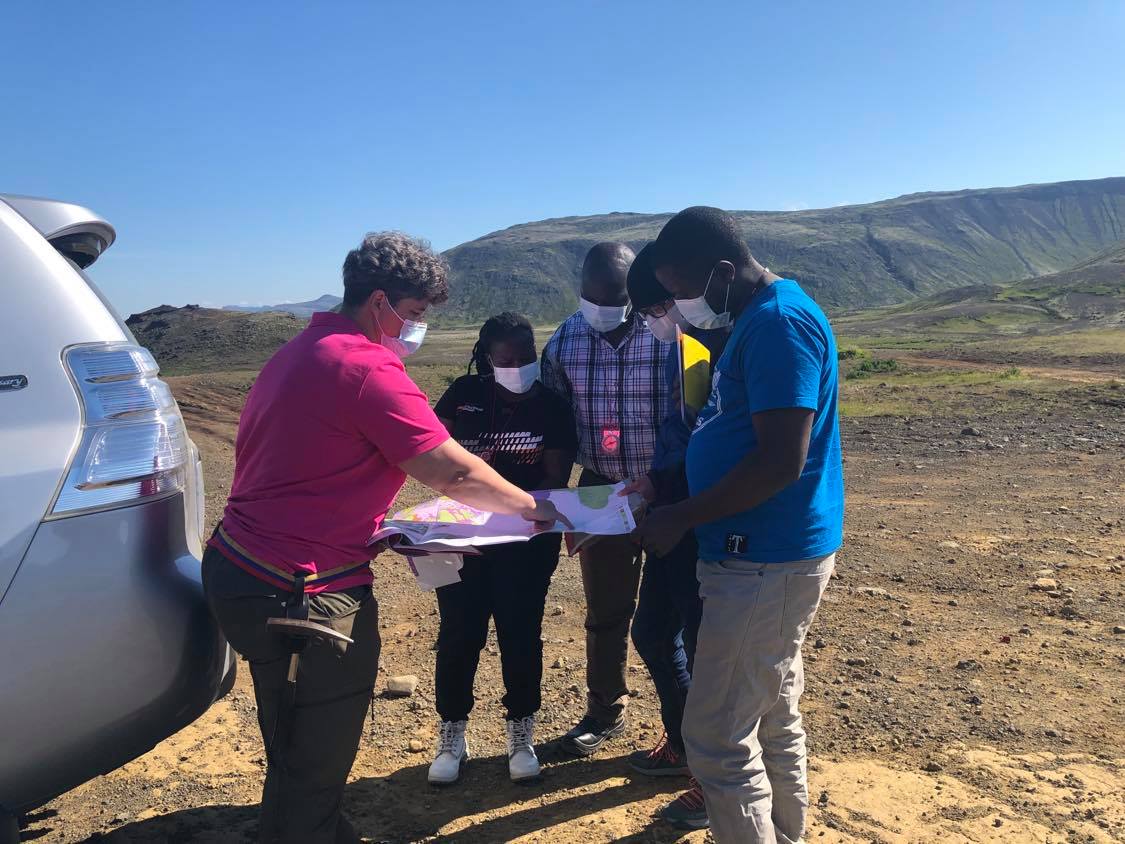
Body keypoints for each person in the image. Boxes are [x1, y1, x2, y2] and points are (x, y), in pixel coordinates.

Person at [202, 232, 567, 844]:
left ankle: (311, 826)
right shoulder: (366, 367)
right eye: (417, 314)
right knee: (316, 751)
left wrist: (382, 525)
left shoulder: (301, 350)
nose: (417, 329)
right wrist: (535, 509)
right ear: (380, 302)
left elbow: (303, 464)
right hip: (303, 593)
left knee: (293, 742)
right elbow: (451, 470)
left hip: (247, 567)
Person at [636, 207, 844, 844]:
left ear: (722, 272)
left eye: (681, 291)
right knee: (772, 714)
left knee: (718, 739)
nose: (679, 305)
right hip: (763, 554)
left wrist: (679, 515)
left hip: (762, 559)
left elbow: (782, 459)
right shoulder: (759, 318)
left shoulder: (780, 324)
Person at [427, 312, 577, 785]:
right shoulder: (463, 395)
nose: (518, 366)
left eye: (527, 357)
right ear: (487, 359)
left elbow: (554, 478)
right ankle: (452, 735)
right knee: (458, 635)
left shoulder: (552, 405)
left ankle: (521, 735)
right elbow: (430, 452)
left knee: (520, 635)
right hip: (463, 542)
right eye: (506, 359)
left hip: (526, 543)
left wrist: (510, 511)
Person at [541, 242, 673, 756]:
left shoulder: (669, 335)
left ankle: (680, 727)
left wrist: (666, 483)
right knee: (605, 610)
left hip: (666, 488)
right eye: (590, 298)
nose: (600, 309)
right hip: (599, 486)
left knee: (673, 616)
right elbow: (554, 420)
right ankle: (603, 711)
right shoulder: (566, 339)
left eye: (612, 298)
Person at [618, 244, 729, 831]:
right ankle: (686, 748)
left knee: (708, 647)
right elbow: (678, 430)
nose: (657, 318)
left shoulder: (719, 345)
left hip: (700, 521)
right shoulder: (681, 347)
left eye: (660, 305)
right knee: (654, 632)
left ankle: (712, 781)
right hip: (670, 514)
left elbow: (717, 445)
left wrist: (673, 496)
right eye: (648, 311)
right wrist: (655, 482)